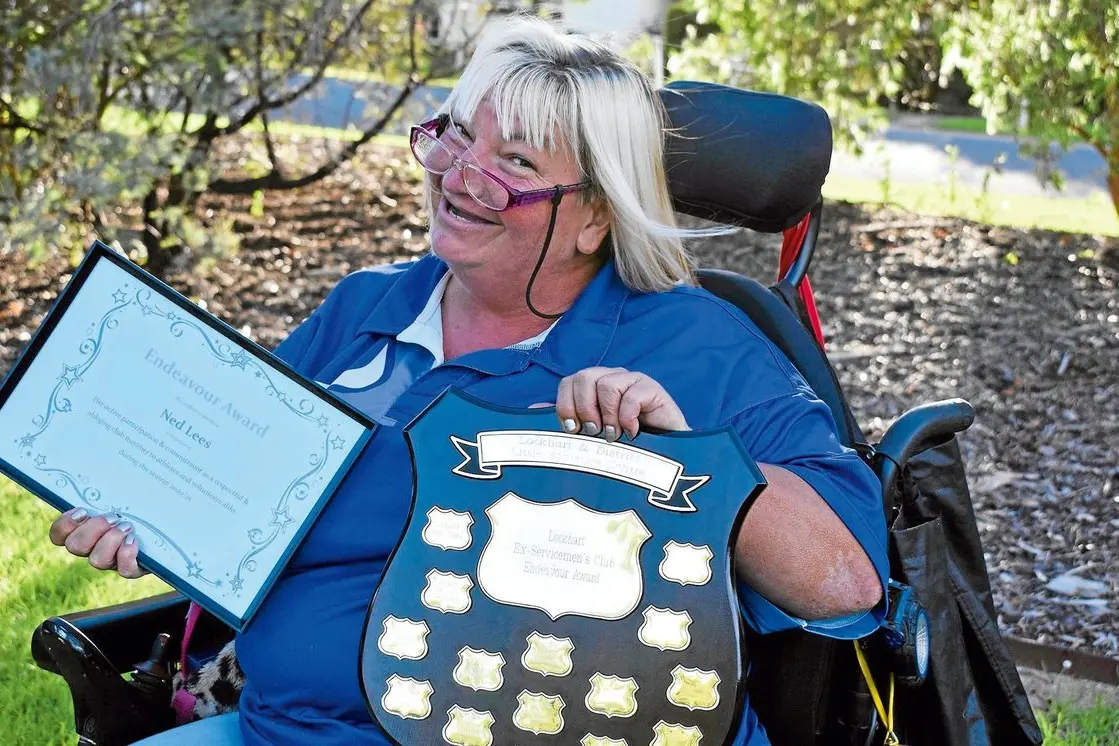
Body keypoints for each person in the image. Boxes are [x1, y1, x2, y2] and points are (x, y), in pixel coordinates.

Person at [48, 16, 887, 745]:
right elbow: (237, 499)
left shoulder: (695, 346)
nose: (456, 176)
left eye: (513, 162)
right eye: (454, 134)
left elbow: (845, 586)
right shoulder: (367, 308)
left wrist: (683, 461)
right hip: (288, 726)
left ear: (596, 214)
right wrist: (148, 520)